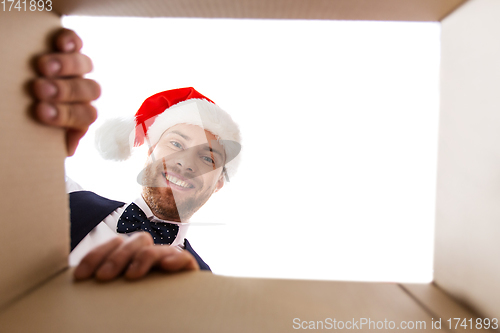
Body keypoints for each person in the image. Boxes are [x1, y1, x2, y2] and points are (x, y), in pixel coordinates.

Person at [32, 29, 241, 281]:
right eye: (176, 143)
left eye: (208, 158)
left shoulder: (206, 286)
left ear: (219, 182)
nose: (185, 163)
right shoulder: (61, 200)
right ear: (151, 151)